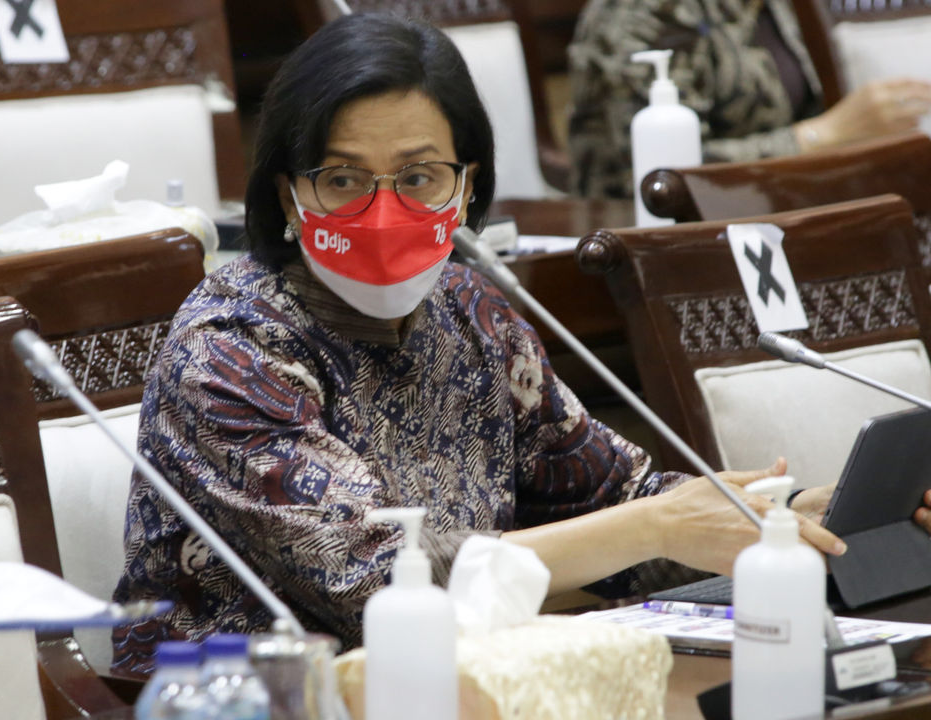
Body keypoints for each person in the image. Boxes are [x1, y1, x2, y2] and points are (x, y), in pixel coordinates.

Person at [110, 12, 930, 677]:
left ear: (468, 186)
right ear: (288, 195)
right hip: (251, 699)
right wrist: (657, 525)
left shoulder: (471, 310)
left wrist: (783, 519)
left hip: (471, 680)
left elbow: (617, 498)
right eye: (343, 179)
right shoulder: (228, 349)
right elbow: (375, 578)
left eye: (420, 176)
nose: (383, 210)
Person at [566, 0, 931, 198]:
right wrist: (822, 136)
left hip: (772, 206)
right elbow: (658, 176)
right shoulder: (640, 13)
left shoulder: (769, 7)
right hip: (643, 229)